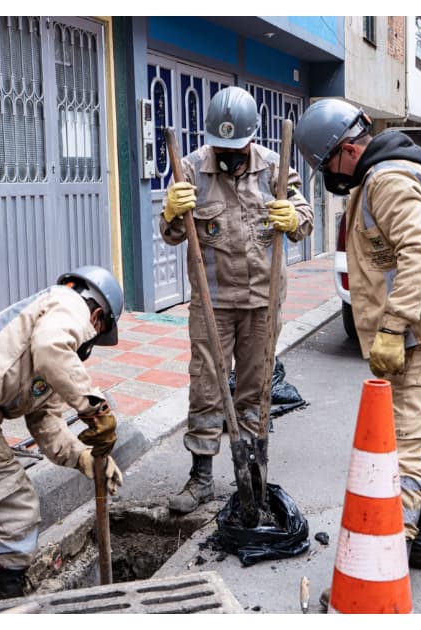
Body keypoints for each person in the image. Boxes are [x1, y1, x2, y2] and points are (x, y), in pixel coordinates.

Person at [294, 98, 421, 571]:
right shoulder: (375, 177)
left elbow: (419, 254)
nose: (328, 175)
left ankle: (382, 571)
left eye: (327, 162)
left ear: (348, 150)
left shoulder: (387, 181)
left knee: (403, 448)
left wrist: (392, 329)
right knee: (420, 432)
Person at [0, 266, 125, 601]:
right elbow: (52, 347)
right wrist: (94, 407)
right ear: (98, 315)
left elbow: (46, 424)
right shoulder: (70, 302)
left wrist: (83, 458)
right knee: (17, 506)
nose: (90, 341)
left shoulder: (43, 333)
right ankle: (9, 606)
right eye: (97, 333)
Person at [160, 86, 313, 513]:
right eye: (220, 146)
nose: (229, 154)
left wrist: (294, 216)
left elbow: (305, 219)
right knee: (206, 383)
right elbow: (170, 234)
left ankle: (252, 469)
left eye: (237, 146)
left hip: (263, 301)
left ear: (251, 138)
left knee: (255, 386)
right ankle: (202, 477)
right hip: (213, 300)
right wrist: (171, 212)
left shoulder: (273, 167)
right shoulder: (190, 169)